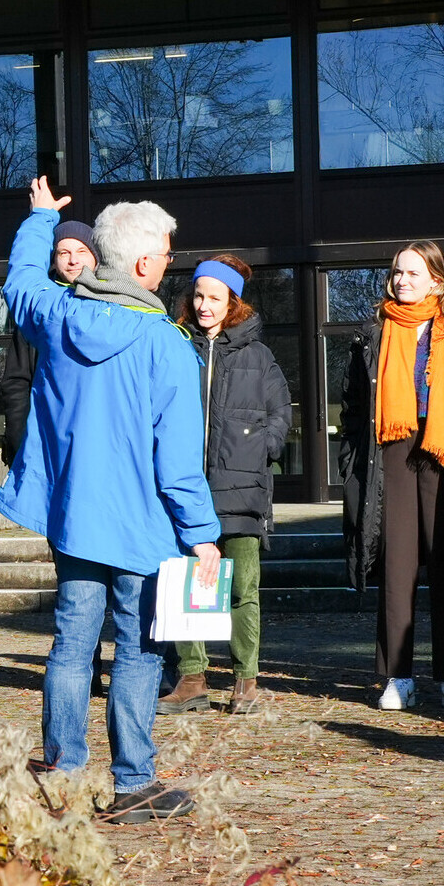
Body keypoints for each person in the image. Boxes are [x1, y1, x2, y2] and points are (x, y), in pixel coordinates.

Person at [0, 178, 218, 823]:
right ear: (144, 262)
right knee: (142, 650)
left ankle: (62, 773)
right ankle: (132, 783)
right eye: (169, 251)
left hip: (73, 519)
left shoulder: (60, 316)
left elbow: (19, 284)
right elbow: (177, 462)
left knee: (71, 644)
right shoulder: (168, 345)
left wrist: (39, 220)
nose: (172, 261)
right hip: (143, 528)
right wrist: (202, 532)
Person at [341, 240, 444, 712]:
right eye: (396, 273)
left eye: (412, 274)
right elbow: (353, 409)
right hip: (390, 452)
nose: (401, 281)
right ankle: (397, 676)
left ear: (437, 279)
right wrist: (351, 462)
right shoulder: (373, 333)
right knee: (396, 568)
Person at [155, 255, 290, 716]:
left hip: (242, 492)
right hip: (188, 489)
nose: (204, 305)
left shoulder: (258, 355)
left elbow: (281, 415)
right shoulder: (177, 346)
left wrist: (260, 450)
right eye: (198, 295)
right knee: (185, 584)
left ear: (233, 302)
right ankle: (191, 679)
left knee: (242, 589)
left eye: (214, 298)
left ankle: (244, 682)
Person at [1, 220, 94, 467]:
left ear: (96, 258)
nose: (73, 260)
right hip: (43, 446)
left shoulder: (113, 306)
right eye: (64, 253)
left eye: (81, 251)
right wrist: (19, 444)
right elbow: (17, 382)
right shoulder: (38, 310)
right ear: (54, 260)